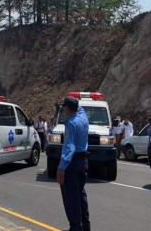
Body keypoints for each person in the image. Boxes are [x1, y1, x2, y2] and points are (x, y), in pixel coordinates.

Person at [57, 97, 90, 231]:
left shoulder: (71, 123)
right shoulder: (83, 116)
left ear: (67, 108)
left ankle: (76, 228)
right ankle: (86, 227)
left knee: (71, 200)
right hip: (83, 162)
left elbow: (69, 147)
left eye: (64, 107)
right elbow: (78, 107)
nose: (63, 110)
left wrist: (61, 167)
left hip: (72, 164)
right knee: (81, 197)